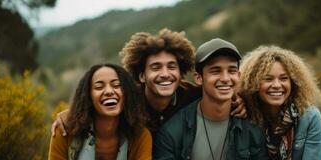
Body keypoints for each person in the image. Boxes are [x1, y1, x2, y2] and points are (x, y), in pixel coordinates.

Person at [52, 28, 246, 136]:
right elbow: (102, 104)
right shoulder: (128, 98)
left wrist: (239, 101)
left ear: (180, 73)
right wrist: (70, 114)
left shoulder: (191, 95)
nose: (165, 74)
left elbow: (218, 92)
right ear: (142, 75)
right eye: (155, 67)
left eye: (171, 67)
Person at [151, 38, 269, 160]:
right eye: (216, 71)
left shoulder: (252, 129)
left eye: (232, 70)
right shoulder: (171, 131)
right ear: (199, 78)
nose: (226, 78)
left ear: (239, 75)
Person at [47, 64, 152, 160]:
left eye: (116, 85)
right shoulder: (64, 133)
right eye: (99, 87)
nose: (109, 91)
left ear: (126, 93)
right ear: (88, 97)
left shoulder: (140, 137)